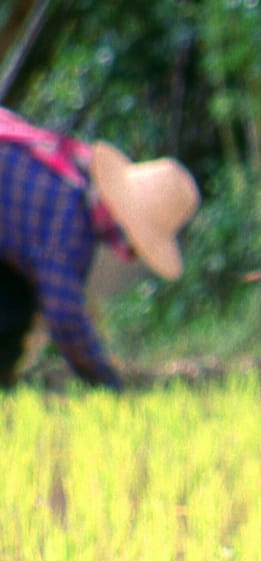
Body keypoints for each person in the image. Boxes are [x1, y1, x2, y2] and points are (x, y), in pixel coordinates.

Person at [0, 108, 200, 390]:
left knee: (13, 305)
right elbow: (63, 314)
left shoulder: (69, 178)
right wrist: (106, 381)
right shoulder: (70, 220)